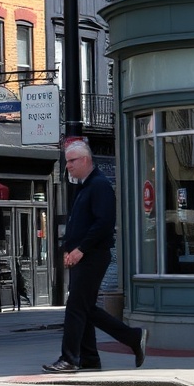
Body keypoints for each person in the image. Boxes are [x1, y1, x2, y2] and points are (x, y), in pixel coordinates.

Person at [43, 140, 147, 373]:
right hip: (84, 255)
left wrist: (80, 249)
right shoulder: (85, 186)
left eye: (71, 161)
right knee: (85, 307)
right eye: (66, 161)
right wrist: (69, 249)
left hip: (93, 256)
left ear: (86, 160)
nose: (67, 166)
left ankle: (69, 358)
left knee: (76, 308)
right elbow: (79, 225)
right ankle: (93, 355)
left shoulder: (99, 185)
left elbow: (104, 223)